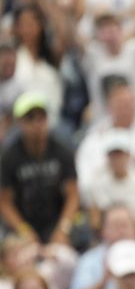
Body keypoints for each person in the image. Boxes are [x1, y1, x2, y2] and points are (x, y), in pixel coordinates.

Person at [0, 92, 78, 246]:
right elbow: (4, 202)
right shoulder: (9, 157)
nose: (37, 124)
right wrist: (23, 231)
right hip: (21, 226)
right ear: (19, 122)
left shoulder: (62, 151)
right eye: (30, 118)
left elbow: (73, 195)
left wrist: (63, 228)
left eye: (41, 117)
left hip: (56, 223)